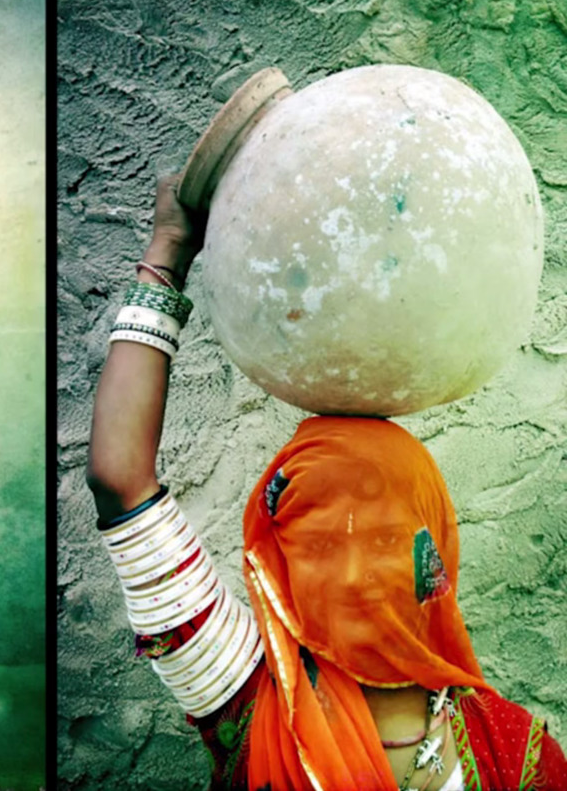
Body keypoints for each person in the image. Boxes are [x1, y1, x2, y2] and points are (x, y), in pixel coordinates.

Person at [84, 173, 567, 790]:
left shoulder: (516, 757)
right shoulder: (253, 690)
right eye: (323, 542)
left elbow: (122, 484)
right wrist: (169, 248)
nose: (354, 571)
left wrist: (170, 252)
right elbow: (119, 483)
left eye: (384, 537)